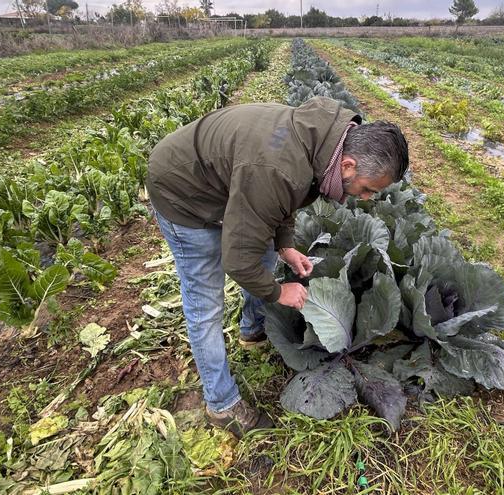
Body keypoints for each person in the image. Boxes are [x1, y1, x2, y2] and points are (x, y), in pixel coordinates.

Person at [146, 96, 409, 437]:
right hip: (182, 191)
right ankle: (221, 404)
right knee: (205, 303)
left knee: (266, 253)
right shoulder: (277, 168)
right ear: (347, 165)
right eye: (367, 189)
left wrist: (284, 245)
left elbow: (285, 197)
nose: (365, 198)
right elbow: (237, 259)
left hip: (229, 179)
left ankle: (251, 328)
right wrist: (277, 291)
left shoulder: (322, 141)